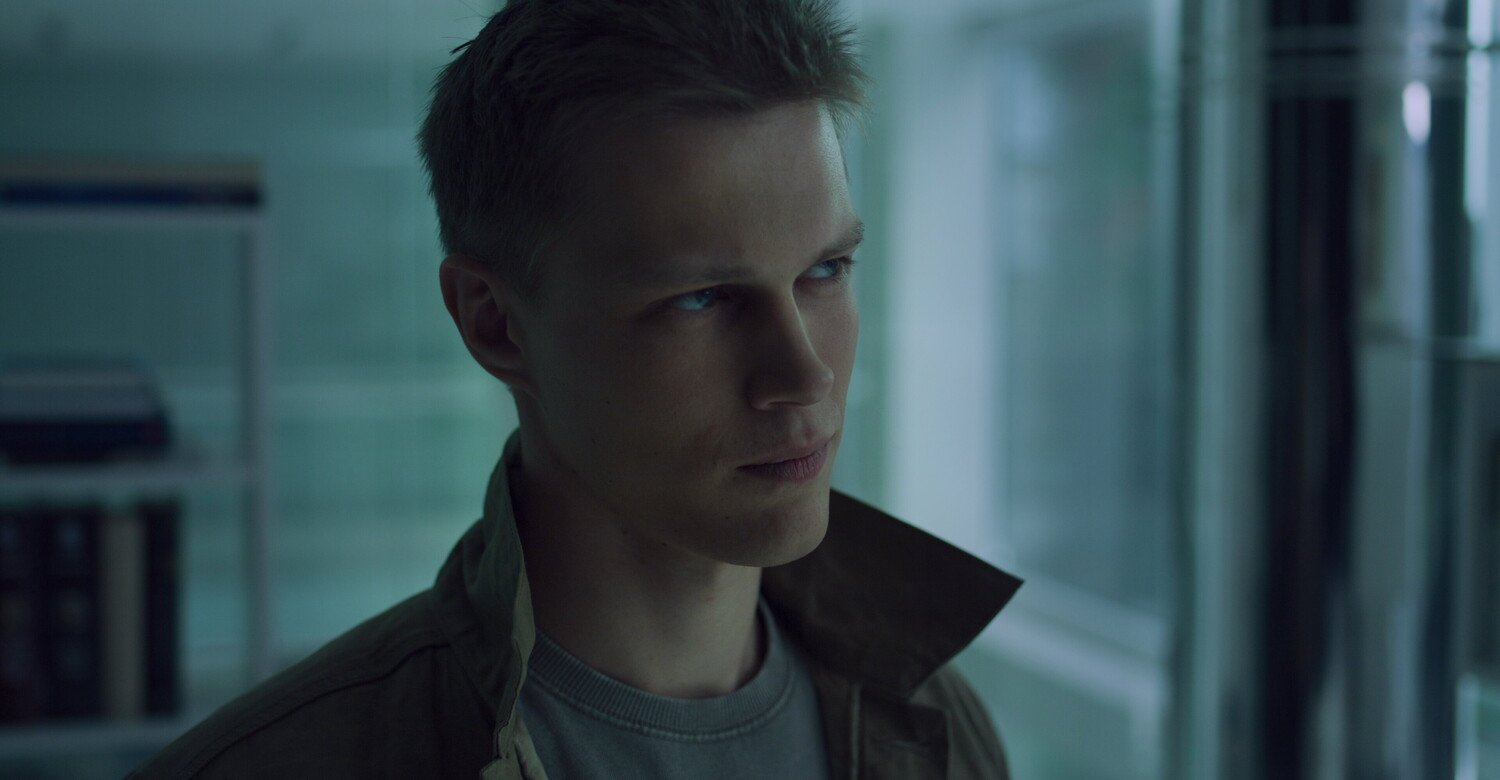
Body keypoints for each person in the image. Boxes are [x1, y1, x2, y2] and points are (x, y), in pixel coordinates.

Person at [131, 1, 1021, 777]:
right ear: (494, 323)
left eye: (826, 270)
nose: (805, 376)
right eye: (702, 299)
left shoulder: (935, 722)